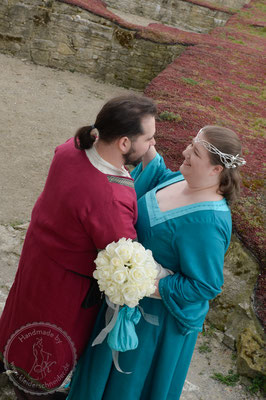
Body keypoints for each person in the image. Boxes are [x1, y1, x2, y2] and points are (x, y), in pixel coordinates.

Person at [66, 125, 246, 400]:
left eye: (195, 152)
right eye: (190, 144)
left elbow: (206, 286)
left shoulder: (209, 222)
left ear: (216, 170)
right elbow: (160, 175)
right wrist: (140, 136)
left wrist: (141, 282)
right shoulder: (183, 179)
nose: (185, 151)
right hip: (125, 301)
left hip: (152, 327)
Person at [0, 94, 157, 400]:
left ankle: (11, 363)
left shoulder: (70, 149)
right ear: (124, 143)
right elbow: (123, 253)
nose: (152, 146)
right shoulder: (111, 197)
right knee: (48, 352)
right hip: (67, 288)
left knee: (22, 321)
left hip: (37, 260)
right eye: (148, 139)